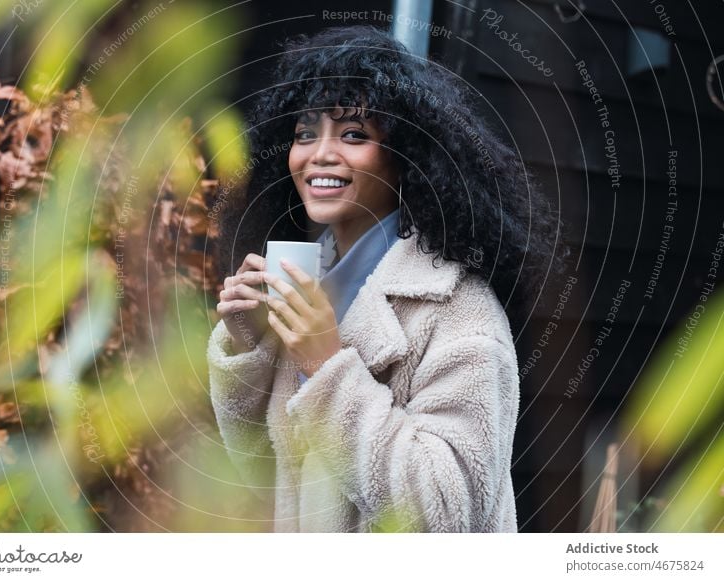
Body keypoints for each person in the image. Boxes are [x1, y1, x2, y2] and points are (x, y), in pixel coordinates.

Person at [207, 26, 565, 532]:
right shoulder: (306, 288)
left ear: (407, 158)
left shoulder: (460, 311)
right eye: (305, 133)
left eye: (354, 134)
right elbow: (259, 474)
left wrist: (326, 364)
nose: (320, 154)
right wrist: (253, 346)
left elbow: (446, 515)